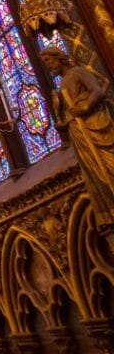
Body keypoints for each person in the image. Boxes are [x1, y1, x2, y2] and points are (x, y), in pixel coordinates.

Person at [42, 47, 114, 229]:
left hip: (94, 125)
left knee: (108, 165)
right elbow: (69, 109)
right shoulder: (63, 83)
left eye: (49, 61)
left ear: (59, 58)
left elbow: (97, 90)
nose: (49, 66)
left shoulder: (78, 72)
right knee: (96, 172)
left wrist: (85, 107)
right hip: (79, 133)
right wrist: (64, 123)